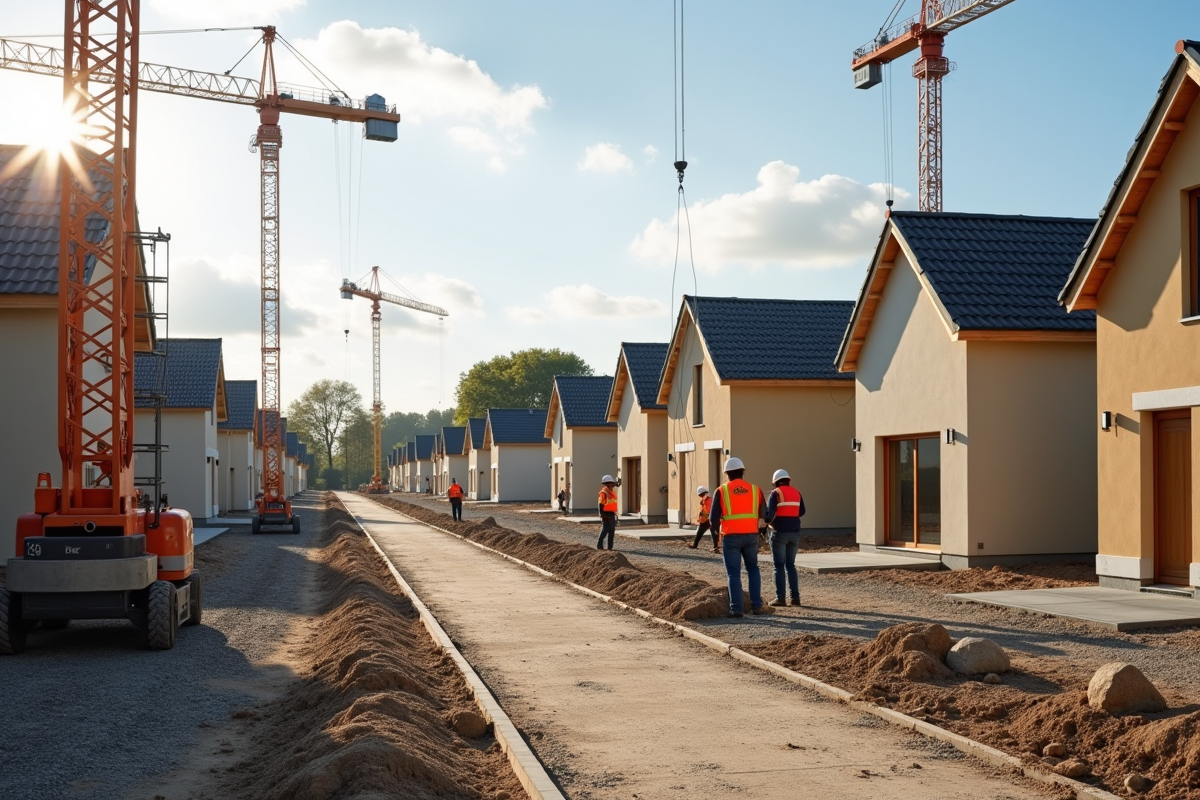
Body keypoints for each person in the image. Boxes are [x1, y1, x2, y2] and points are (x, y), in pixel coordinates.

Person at [710, 457, 769, 618]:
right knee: (753, 570)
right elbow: (766, 514)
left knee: (733, 573)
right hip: (751, 536)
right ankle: (756, 606)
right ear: (743, 472)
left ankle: (736, 608)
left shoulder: (721, 491)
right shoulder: (755, 490)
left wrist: (715, 538)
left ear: (726, 473)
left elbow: (712, 520)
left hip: (731, 537)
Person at [766, 468, 806, 607]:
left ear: (775, 482)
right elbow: (802, 511)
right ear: (788, 480)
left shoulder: (775, 493)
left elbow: (770, 514)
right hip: (795, 532)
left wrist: (767, 521)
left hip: (780, 532)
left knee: (779, 566)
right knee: (791, 565)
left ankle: (780, 598)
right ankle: (795, 598)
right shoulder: (796, 492)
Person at [687, 485, 717, 552]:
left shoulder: (708, 500)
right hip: (706, 519)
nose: (700, 496)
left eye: (700, 495)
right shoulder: (706, 499)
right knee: (708, 533)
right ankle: (716, 547)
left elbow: (709, 510)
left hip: (708, 519)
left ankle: (716, 547)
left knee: (712, 533)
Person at [597, 475, 618, 550]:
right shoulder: (604, 493)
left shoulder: (611, 492)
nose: (612, 484)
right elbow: (600, 503)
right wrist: (601, 514)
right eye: (611, 483)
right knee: (605, 530)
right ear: (607, 483)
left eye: (612, 483)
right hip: (605, 514)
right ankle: (599, 545)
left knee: (612, 530)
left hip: (611, 513)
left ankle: (610, 547)